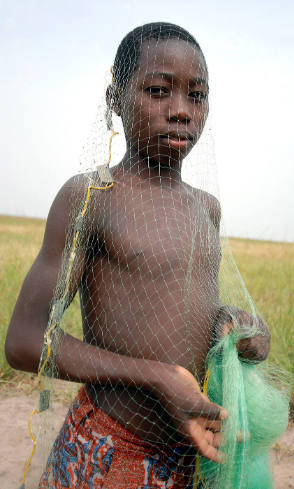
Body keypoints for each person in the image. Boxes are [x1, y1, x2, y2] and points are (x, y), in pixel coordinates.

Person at [5, 22, 270, 489]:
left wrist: (236, 330)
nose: (181, 111)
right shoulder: (91, 196)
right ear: (116, 99)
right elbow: (26, 342)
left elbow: (185, 311)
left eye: (197, 96)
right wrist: (157, 377)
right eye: (158, 90)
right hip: (106, 453)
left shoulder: (207, 207)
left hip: (189, 460)